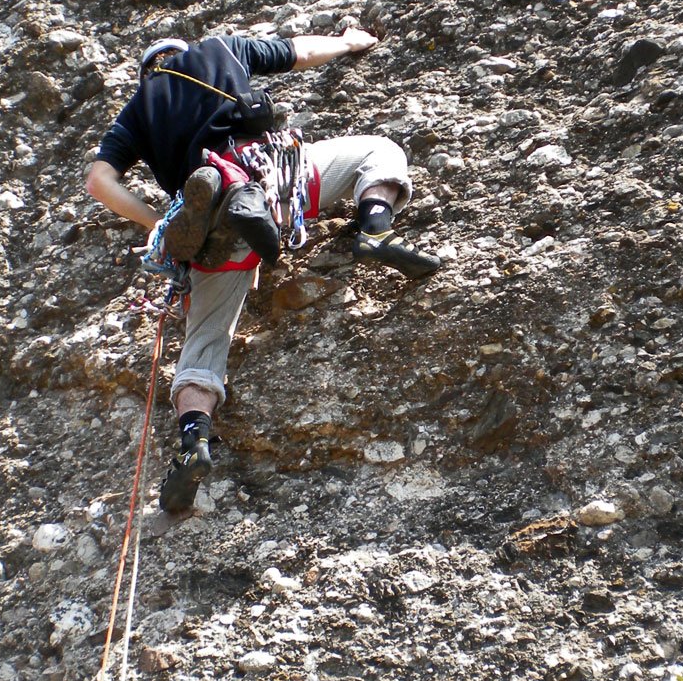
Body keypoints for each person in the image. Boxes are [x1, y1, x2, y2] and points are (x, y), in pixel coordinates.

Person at [85, 29, 440, 513]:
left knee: (202, 347)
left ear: (146, 72)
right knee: (378, 151)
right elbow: (300, 51)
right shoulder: (220, 50)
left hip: (211, 245)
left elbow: (99, 180)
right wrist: (348, 41)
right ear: (181, 52)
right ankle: (375, 226)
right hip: (279, 181)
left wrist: (158, 223)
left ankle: (194, 441)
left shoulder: (137, 110)